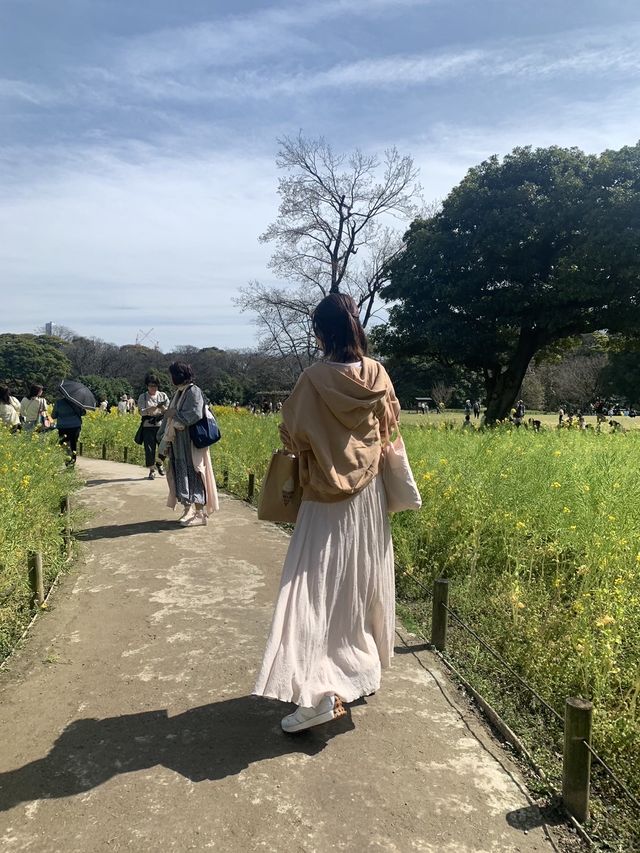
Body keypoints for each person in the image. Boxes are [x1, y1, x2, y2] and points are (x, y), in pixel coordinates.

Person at [253, 293, 400, 734]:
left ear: (320, 332)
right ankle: (356, 671)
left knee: (309, 592)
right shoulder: (376, 373)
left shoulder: (313, 379)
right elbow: (391, 423)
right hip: (368, 498)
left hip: (325, 497)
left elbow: (293, 435)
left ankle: (317, 693)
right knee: (358, 584)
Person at [161, 362, 219, 527]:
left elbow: (194, 413)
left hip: (191, 441)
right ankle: (188, 509)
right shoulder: (180, 392)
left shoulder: (193, 391)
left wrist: (175, 413)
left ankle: (199, 513)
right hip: (179, 441)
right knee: (181, 472)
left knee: (194, 472)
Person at [137, 375, 170, 480]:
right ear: (147, 386)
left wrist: (162, 407)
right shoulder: (143, 397)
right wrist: (149, 409)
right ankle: (152, 470)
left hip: (161, 425)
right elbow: (140, 412)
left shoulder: (162, 395)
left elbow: (168, 410)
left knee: (164, 446)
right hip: (148, 425)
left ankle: (159, 462)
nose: (153, 388)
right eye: (151, 386)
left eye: (155, 386)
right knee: (149, 449)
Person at [52, 392, 85, 465]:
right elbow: (83, 413)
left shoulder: (58, 402)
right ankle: (72, 462)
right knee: (73, 444)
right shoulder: (77, 402)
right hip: (75, 426)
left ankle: (66, 461)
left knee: (64, 444)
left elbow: (53, 415)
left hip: (63, 426)